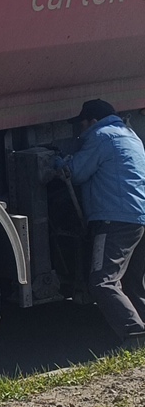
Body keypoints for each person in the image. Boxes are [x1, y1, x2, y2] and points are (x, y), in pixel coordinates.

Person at [59, 99, 145, 343]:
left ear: (93, 121)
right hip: (139, 219)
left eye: (82, 125)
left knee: (101, 281)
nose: (80, 131)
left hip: (114, 221)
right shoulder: (131, 136)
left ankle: (135, 335)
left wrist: (60, 162)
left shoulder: (100, 136)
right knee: (133, 281)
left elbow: (76, 172)